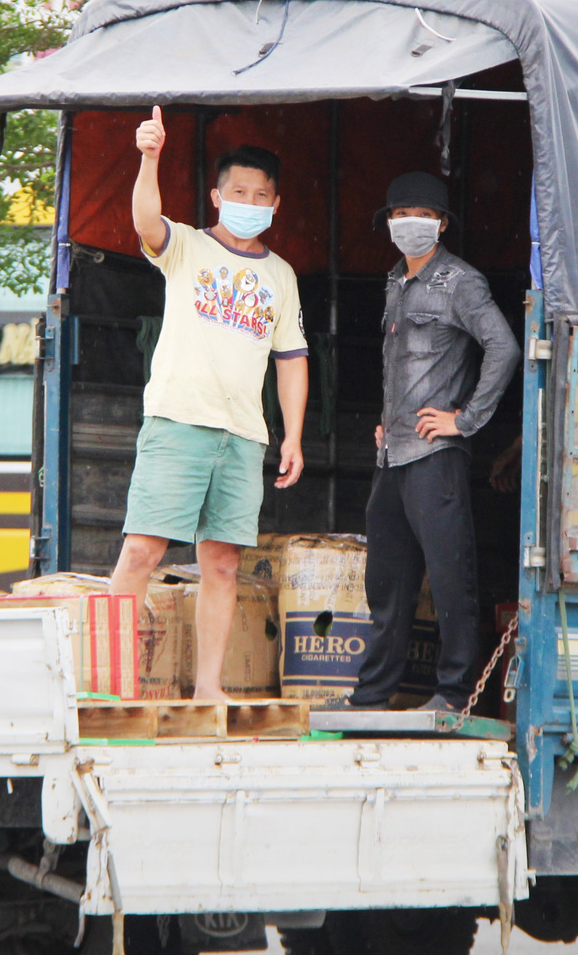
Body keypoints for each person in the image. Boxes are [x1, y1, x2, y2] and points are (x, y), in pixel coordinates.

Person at [107, 109, 310, 701]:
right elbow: (146, 220)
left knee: (222, 565)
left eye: (261, 194)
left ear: (276, 204)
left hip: (243, 437)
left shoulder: (281, 275)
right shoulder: (187, 247)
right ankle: (110, 685)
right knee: (142, 551)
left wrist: (290, 434)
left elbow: (292, 358)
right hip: (177, 423)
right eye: (238, 191)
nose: (249, 200)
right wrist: (150, 157)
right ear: (218, 196)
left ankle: (208, 691)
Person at [335, 171, 518, 712]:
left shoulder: (460, 282)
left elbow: (504, 348)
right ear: (387, 223)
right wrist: (386, 421)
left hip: (435, 456)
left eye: (419, 214)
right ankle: (372, 694)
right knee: (387, 583)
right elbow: (403, 368)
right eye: (397, 214)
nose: (406, 223)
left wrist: (464, 420)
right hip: (392, 454)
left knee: (449, 576)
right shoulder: (395, 280)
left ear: (440, 224)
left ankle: (455, 693)